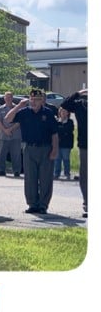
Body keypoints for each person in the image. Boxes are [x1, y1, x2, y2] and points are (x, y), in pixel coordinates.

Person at [3, 90, 59, 214]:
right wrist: (18, 106)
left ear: (41, 100)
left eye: (36, 100)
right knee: (30, 178)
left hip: (45, 148)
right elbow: (7, 119)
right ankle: (32, 204)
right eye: (31, 99)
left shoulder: (48, 113)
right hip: (29, 148)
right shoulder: (24, 112)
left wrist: (55, 149)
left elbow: (54, 133)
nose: (33, 102)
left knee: (45, 178)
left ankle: (43, 205)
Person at [61, 85, 87, 216]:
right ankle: (88, 202)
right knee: (85, 175)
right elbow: (65, 104)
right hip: (85, 145)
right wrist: (78, 93)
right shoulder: (80, 105)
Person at [0, 91, 22, 176]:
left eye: (9, 97)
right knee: (2, 154)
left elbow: (19, 121)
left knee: (16, 154)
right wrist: (5, 130)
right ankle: (0, 170)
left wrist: (10, 129)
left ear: (12, 98)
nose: (8, 99)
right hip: (3, 135)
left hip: (15, 135)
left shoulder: (17, 108)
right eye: (6, 97)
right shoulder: (0, 108)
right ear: (4, 98)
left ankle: (16, 171)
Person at [55, 106, 74, 179]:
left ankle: (67, 173)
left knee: (66, 159)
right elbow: (55, 131)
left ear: (68, 113)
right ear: (59, 112)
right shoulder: (57, 122)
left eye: (65, 111)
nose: (63, 113)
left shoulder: (70, 122)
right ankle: (56, 174)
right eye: (62, 111)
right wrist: (62, 131)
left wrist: (61, 131)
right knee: (57, 160)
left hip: (66, 145)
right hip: (58, 144)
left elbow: (68, 131)